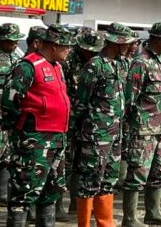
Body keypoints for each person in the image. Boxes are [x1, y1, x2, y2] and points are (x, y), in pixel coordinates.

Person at [2, 23, 75, 227]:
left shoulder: (58, 67)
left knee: (51, 191)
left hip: (57, 140)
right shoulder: (27, 66)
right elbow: (10, 102)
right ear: (53, 46)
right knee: (24, 193)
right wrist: (23, 130)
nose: (69, 51)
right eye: (66, 46)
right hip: (34, 141)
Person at [73, 22, 135, 226]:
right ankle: (84, 224)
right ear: (114, 43)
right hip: (96, 134)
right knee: (90, 180)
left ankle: (105, 223)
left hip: (115, 132)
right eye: (125, 43)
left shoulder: (121, 64)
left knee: (109, 180)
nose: (128, 47)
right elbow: (82, 101)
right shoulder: (95, 65)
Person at [121, 21, 161, 226]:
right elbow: (129, 99)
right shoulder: (140, 63)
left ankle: (153, 212)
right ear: (159, 39)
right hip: (144, 129)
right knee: (137, 173)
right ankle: (130, 218)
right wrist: (133, 126)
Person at [61, 27, 102, 219]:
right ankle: (58, 205)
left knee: (81, 163)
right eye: (89, 50)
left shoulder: (95, 62)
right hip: (67, 118)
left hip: (87, 120)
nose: (92, 53)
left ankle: (76, 205)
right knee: (64, 163)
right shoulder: (67, 61)